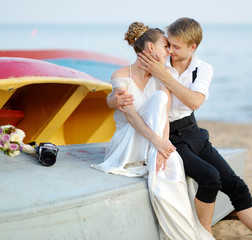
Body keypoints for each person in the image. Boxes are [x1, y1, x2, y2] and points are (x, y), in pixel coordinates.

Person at [108, 18, 252, 240]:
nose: (170, 50)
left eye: (175, 46)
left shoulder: (201, 69)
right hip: (170, 134)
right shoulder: (159, 61)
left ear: (192, 47)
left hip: (193, 130)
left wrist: (163, 74)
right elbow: (131, 90)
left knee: (236, 185)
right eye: (168, 44)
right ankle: (205, 235)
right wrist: (112, 99)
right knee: (210, 178)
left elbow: (194, 102)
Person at [92, 22, 214, 240]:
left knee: (173, 163)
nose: (168, 51)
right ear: (150, 48)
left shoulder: (164, 73)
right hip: (128, 141)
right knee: (158, 100)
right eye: (165, 46)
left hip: (154, 141)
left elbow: (164, 117)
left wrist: (162, 146)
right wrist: (157, 142)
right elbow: (130, 115)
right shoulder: (120, 74)